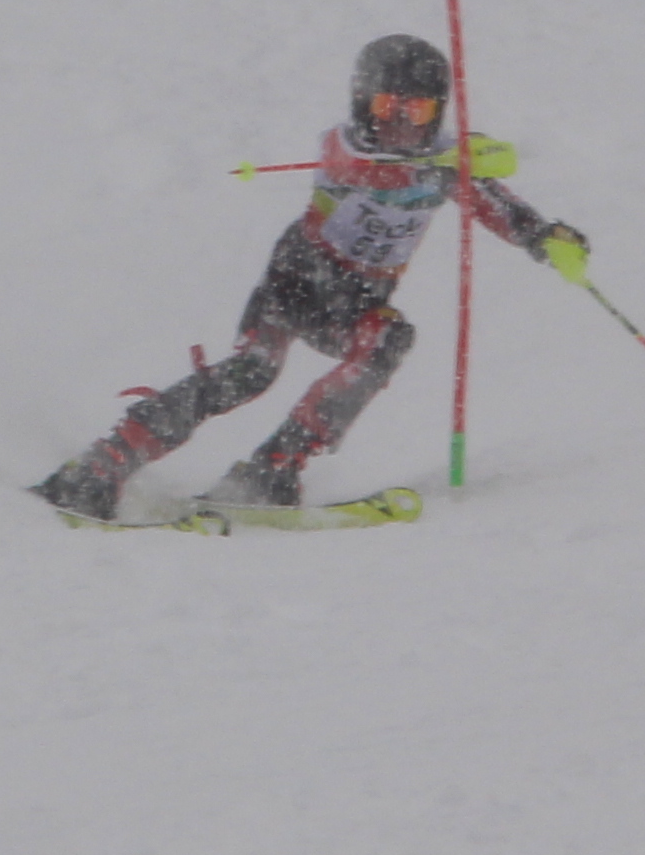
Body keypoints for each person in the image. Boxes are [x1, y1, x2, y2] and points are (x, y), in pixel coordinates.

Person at [34, 33, 587, 524]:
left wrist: (544, 237)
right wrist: (448, 164)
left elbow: (494, 204)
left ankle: (273, 469)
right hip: (298, 281)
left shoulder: (446, 162)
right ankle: (103, 464)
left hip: (359, 300)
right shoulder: (345, 146)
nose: (398, 123)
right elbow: (364, 171)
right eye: (387, 106)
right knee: (251, 371)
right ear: (361, 103)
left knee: (388, 339)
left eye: (416, 111)